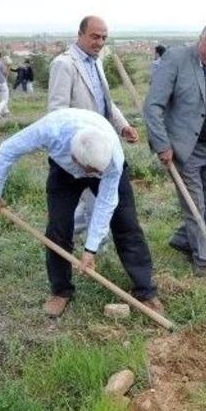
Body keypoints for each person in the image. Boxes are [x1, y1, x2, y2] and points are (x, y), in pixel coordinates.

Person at [0, 108, 161, 317]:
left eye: (98, 172)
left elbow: (105, 204)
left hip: (108, 167)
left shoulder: (112, 160)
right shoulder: (51, 130)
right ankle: (61, 291)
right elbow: (8, 149)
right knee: (58, 229)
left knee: (126, 224)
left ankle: (145, 290)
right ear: (75, 159)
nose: (94, 176)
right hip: (63, 171)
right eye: (92, 172)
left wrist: (90, 250)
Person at [144, 22, 206, 276]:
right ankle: (202, 261)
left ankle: (182, 238)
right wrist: (162, 144)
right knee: (195, 205)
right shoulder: (176, 59)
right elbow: (153, 106)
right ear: (200, 39)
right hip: (183, 147)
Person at [48, 15, 142, 242]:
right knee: (100, 208)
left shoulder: (96, 62)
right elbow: (57, 113)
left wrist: (123, 127)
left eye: (103, 38)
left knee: (99, 204)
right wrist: (75, 148)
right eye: (94, 36)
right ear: (80, 34)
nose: (99, 42)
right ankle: (71, 242)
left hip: (102, 149)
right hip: (80, 152)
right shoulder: (64, 64)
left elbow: (105, 102)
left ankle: (69, 237)